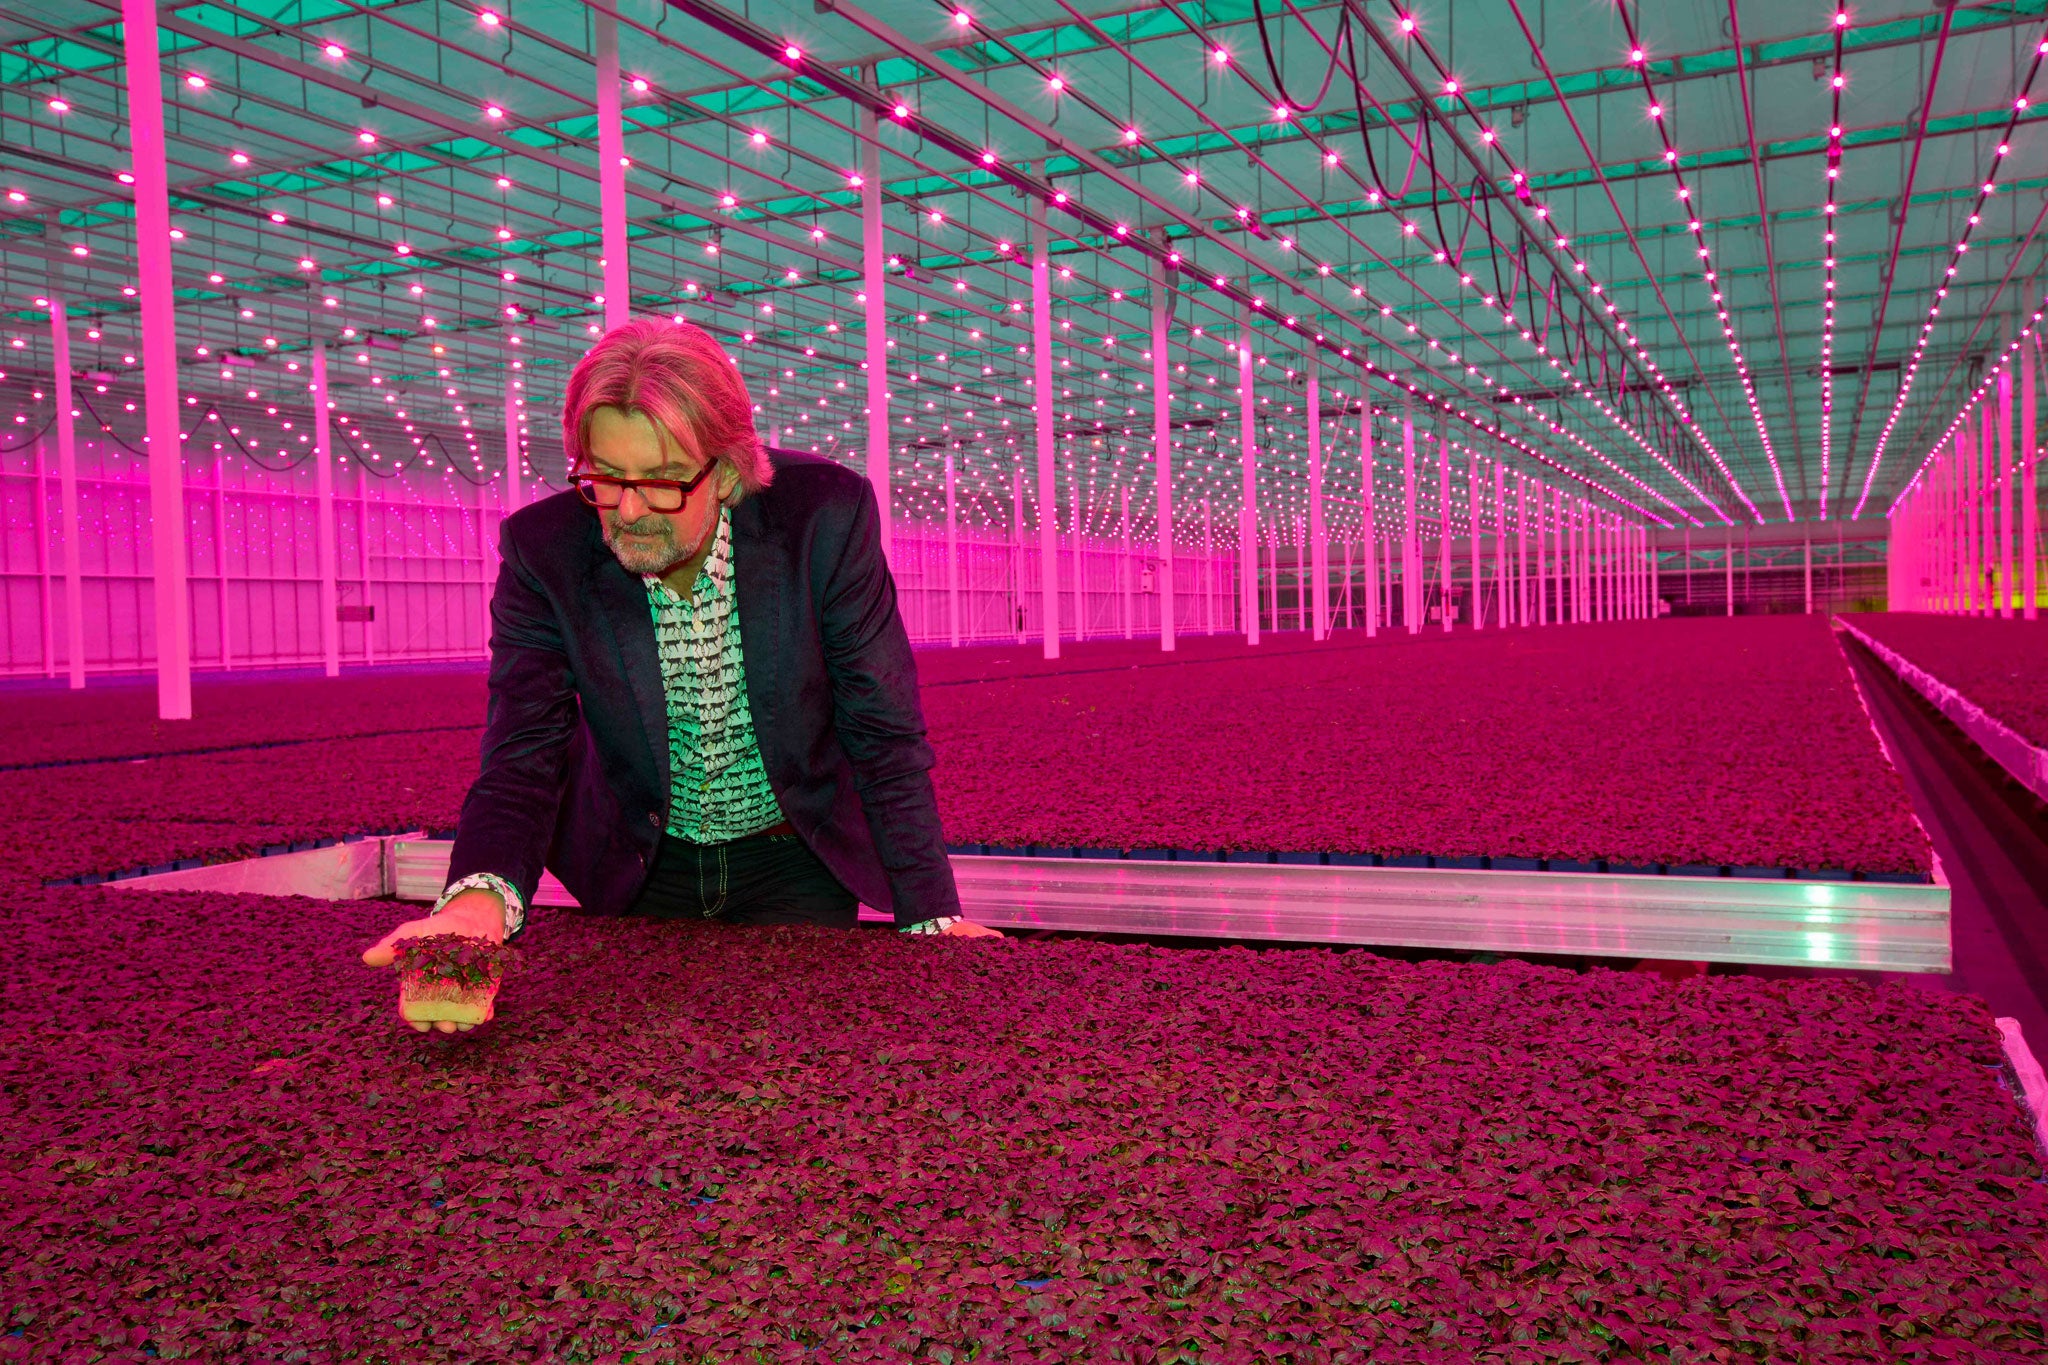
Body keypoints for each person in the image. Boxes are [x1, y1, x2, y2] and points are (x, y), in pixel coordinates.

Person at [363, 317, 999, 1031]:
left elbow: (880, 726)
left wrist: (931, 913)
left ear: (726, 472)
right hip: (640, 859)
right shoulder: (546, 552)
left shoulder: (823, 518)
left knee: (802, 1054)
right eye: (604, 478)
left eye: (663, 483)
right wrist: (475, 901)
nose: (629, 511)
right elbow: (524, 749)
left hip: (791, 854)